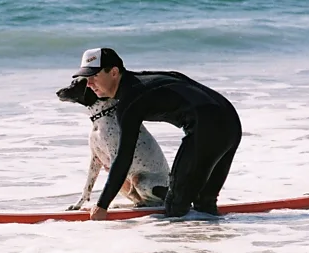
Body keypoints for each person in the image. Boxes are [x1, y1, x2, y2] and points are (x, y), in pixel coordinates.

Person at [71, 48, 242, 220]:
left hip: (209, 127)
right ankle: (214, 240)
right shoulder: (146, 79)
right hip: (231, 121)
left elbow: (123, 158)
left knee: (176, 208)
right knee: (204, 203)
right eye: (87, 78)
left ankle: (184, 243)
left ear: (114, 72)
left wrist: (102, 205)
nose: (89, 83)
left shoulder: (130, 100)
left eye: (94, 76)